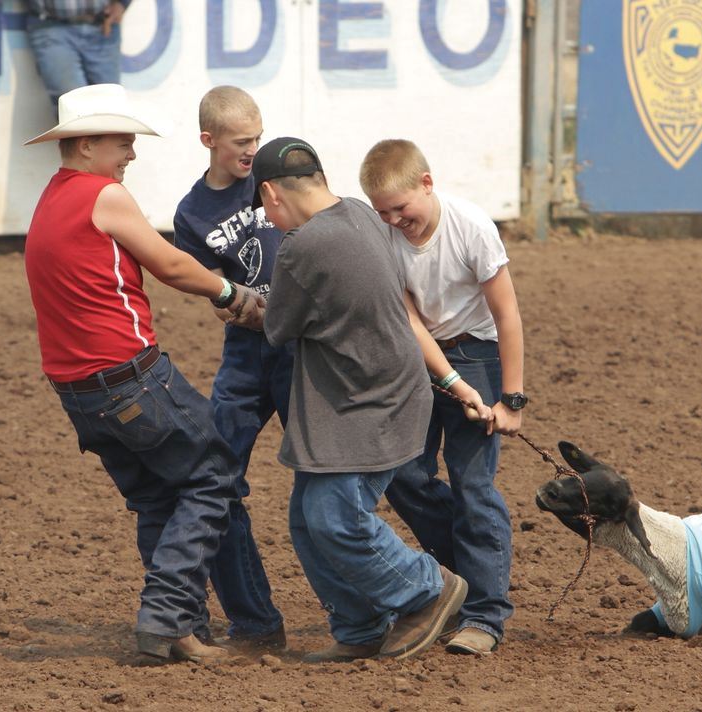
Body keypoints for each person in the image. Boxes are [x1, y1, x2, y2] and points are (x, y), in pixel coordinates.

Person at [23, 83, 264, 663]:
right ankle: (164, 617)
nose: (131, 154)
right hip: (128, 375)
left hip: (78, 391)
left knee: (157, 498)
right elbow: (170, 263)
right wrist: (233, 290)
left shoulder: (52, 197)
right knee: (213, 473)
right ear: (85, 146)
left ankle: (182, 628)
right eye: (121, 143)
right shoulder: (101, 195)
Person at [253, 136, 468, 663]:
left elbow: (278, 326)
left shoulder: (302, 248)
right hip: (380, 390)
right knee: (310, 517)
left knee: (332, 517)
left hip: (364, 402)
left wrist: (238, 300)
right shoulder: (359, 214)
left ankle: (427, 589)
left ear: (270, 194)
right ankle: (359, 628)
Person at [358, 138, 526, 655]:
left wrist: (511, 399)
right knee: (406, 475)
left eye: (400, 208)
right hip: (423, 360)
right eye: (382, 212)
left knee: (474, 484)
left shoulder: (471, 227)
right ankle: (465, 576)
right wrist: (449, 378)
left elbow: (507, 316)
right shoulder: (386, 237)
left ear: (426, 185)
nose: (393, 220)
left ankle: (485, 613)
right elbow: (408, 316)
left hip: (479, 352)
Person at [173, 86, 292, 650]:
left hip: (302, 346)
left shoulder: (274, 172)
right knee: (214, 478)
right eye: (242, 142)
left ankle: (441, 588)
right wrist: (236, 304)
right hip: (246, 353)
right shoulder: (192, 213)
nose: (252, 150)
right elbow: (207, 286)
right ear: (209, 141)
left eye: (257, 138)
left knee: (344, 472)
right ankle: (255, 623)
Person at [25, 1, 130, 109]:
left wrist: (122, 3)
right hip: (50, 25)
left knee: (110, 106)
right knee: (72, 105)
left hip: (103, 24)